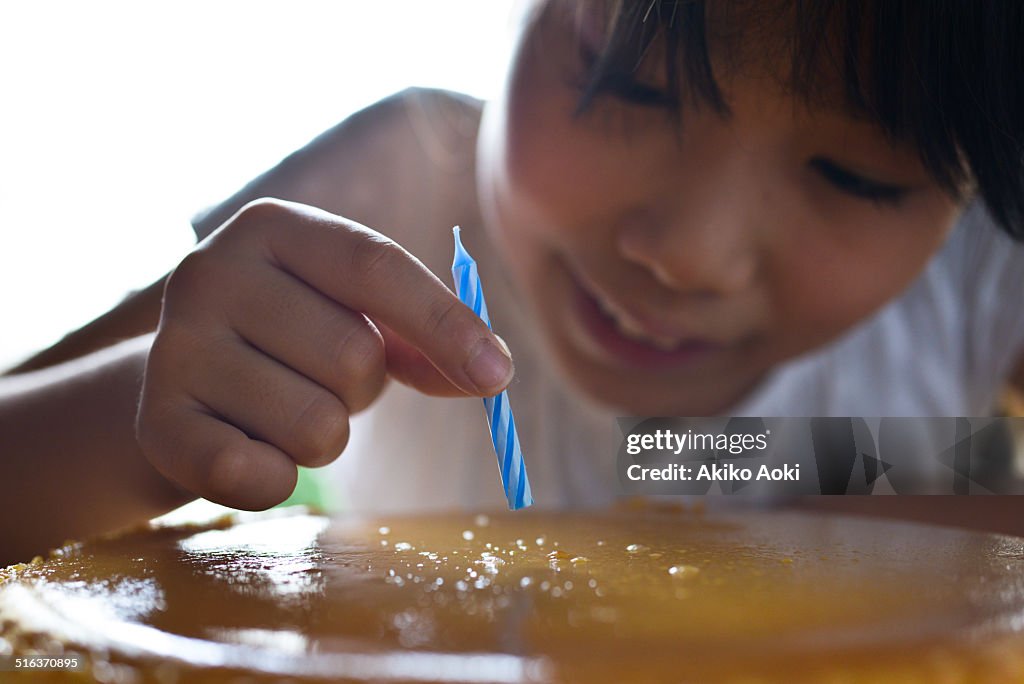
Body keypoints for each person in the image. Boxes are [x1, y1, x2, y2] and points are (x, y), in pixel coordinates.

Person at [2, 1, 1023, 565]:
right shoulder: (389, 192)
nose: (691, 254)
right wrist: (142, 417)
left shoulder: (982, 271)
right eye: (623, 79)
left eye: (855, 176)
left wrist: (846, 527)